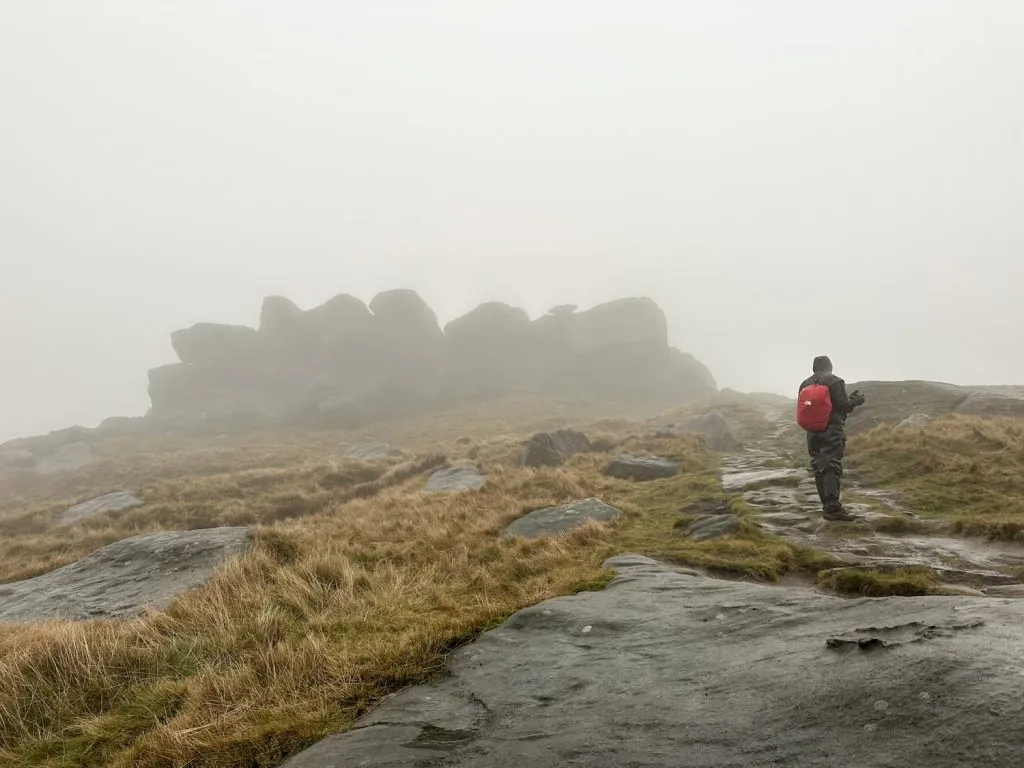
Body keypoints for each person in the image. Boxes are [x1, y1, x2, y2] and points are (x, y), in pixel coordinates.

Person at [799, 356, 866, 521]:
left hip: (812, 431)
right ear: (829, 366)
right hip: (831, 429)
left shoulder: (804, 384)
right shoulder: (834, 381)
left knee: (818, 466)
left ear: (814, 367)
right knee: (831, 465)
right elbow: (844, 406)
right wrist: (856, 399)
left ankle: (827, 506)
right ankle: (833, 508)